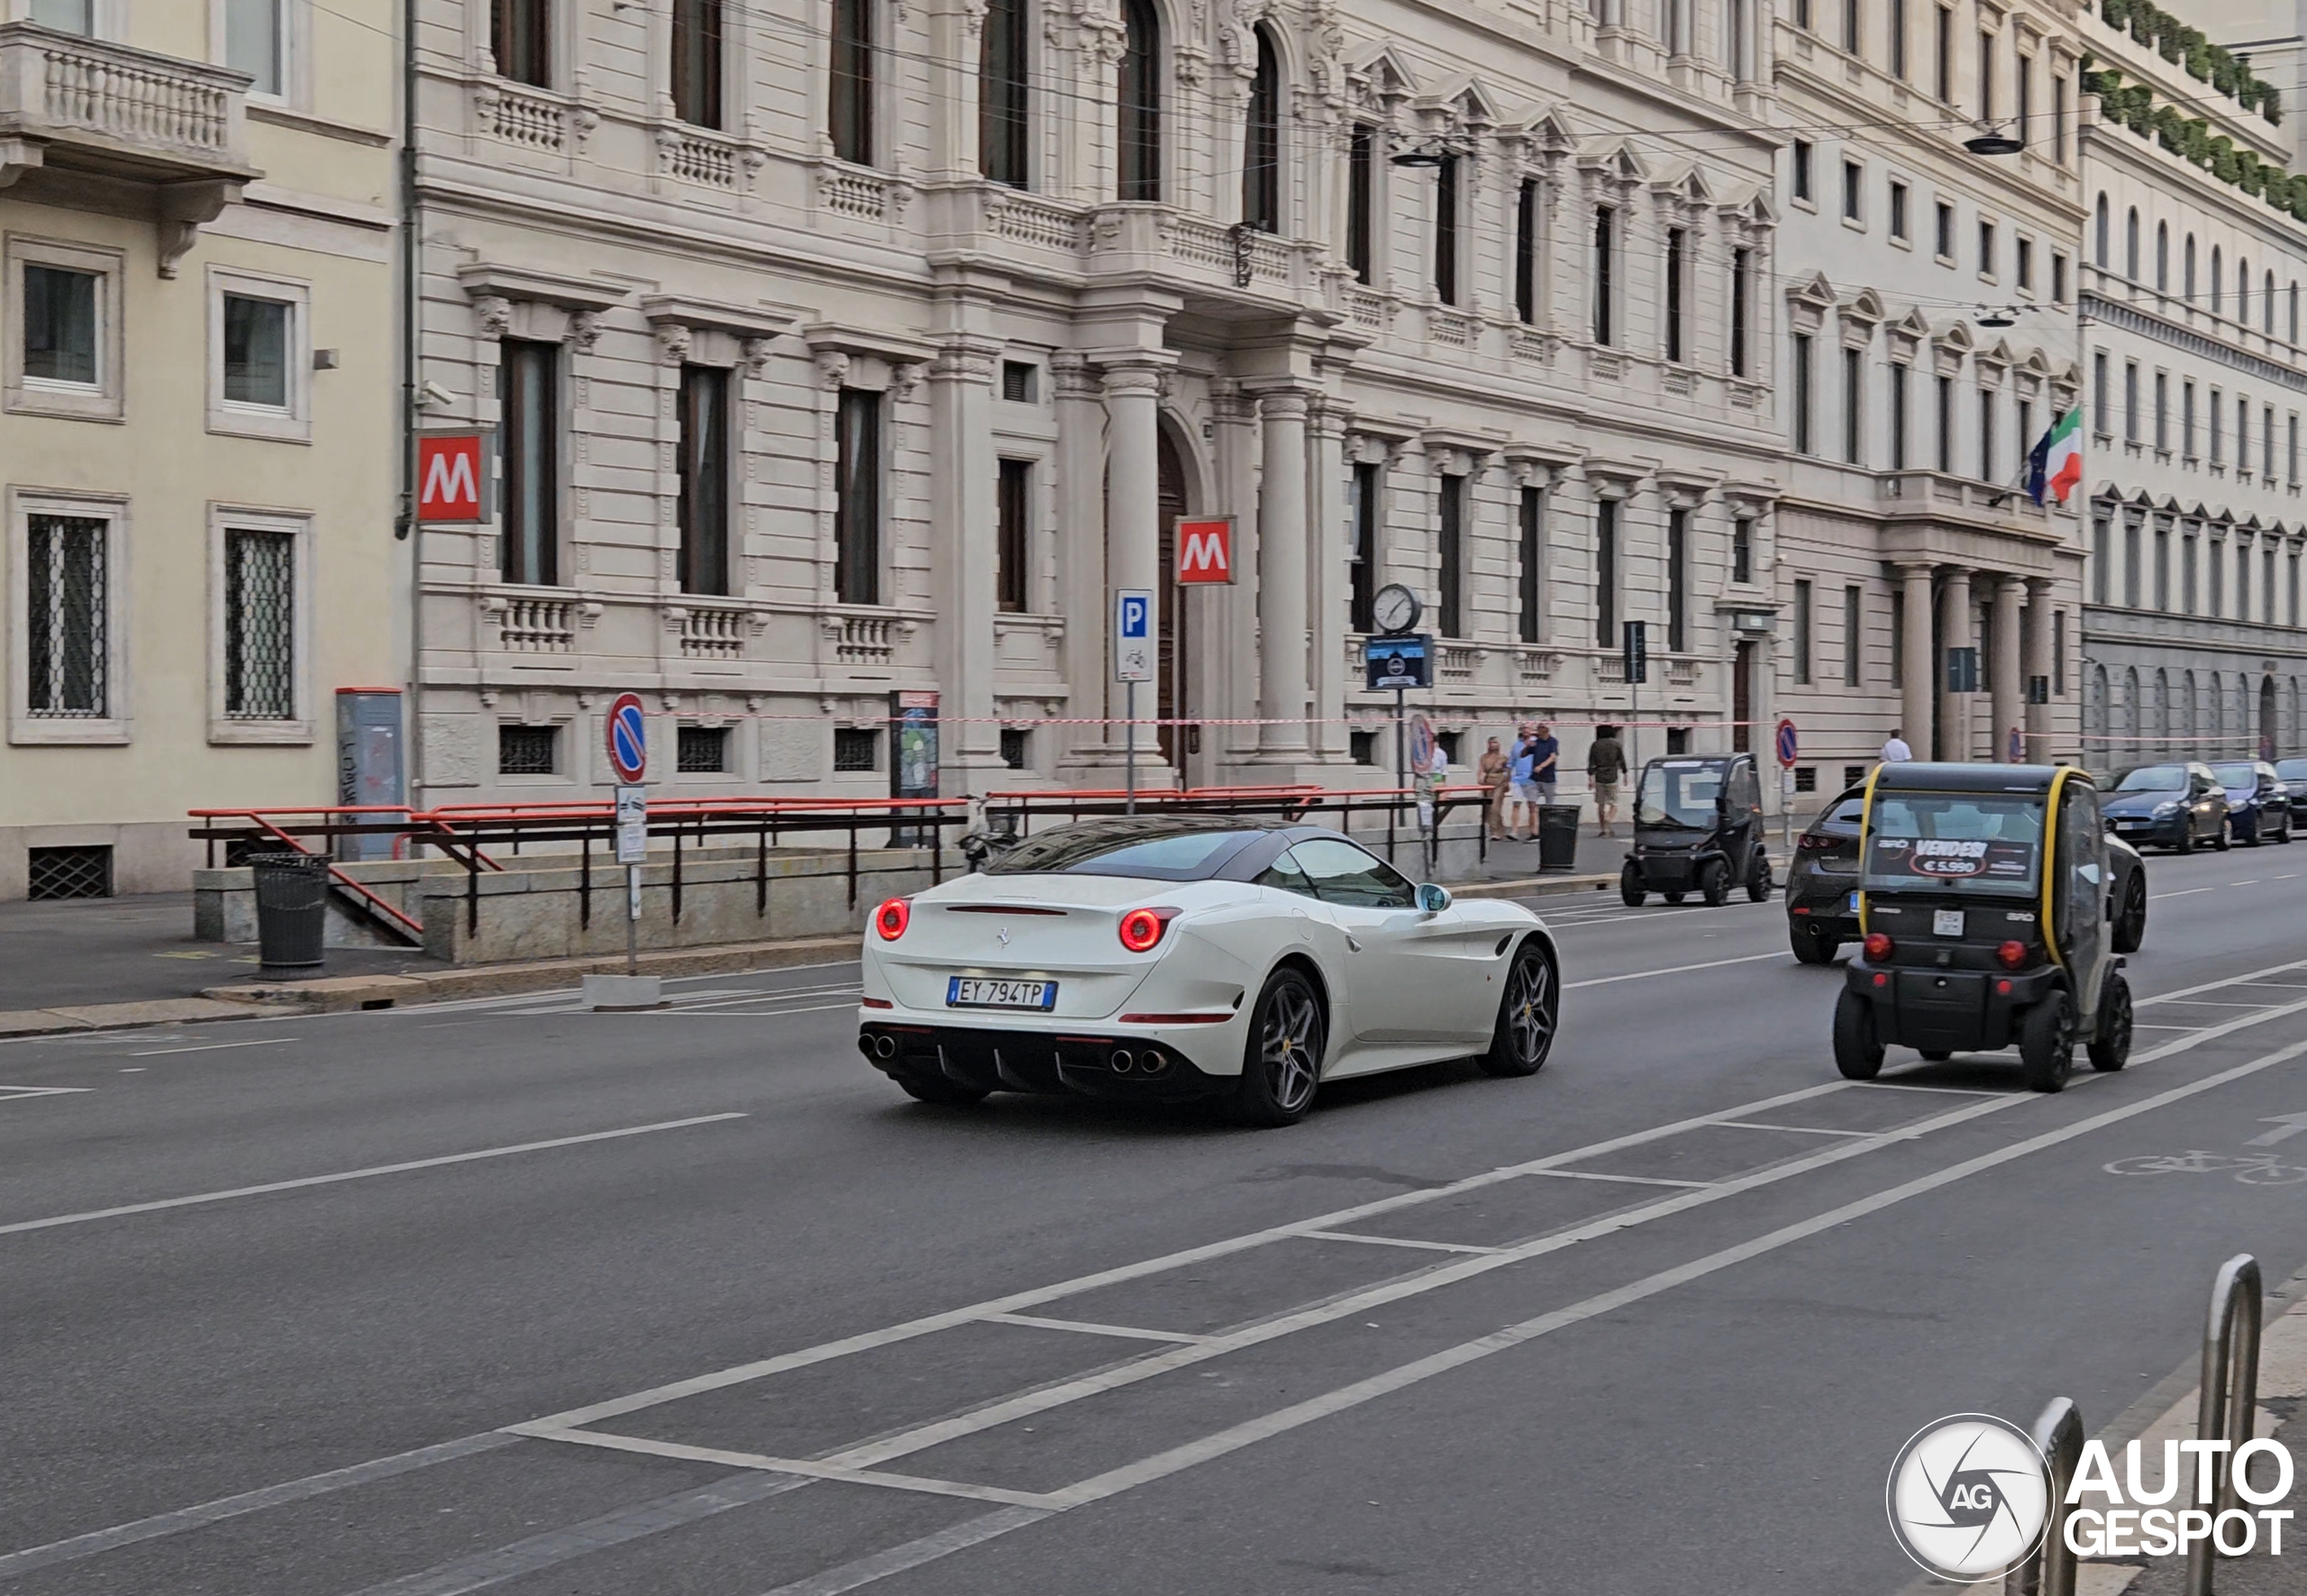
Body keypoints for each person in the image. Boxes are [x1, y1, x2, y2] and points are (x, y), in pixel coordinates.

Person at [1588, 724, 1628, 837]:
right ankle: (1608, 820)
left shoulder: (1595, 745)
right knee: (1614, 803)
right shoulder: (1616, 744)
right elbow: (1621, 760)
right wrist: (1625, 773)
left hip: (1599, 776)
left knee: (1600, 804)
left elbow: (1591, 762)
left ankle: (1604, 828)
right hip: (1612, 776)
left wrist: (1590, 777)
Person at [1507, 725, 1538, 840]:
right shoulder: (1516, 744)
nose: (1526, 730)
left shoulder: (1537, 743)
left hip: (1532, 777)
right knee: (1516, 804)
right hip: (1517, 778)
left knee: (1532, 806)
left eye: (1528, 728)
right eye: (1524, 728)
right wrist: (1508, 778)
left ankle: (1534, 831)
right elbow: (1511, 762)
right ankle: (1514, 831)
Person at [1478, 736, 1510, 840]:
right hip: (1487, 782)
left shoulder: (1503, 758)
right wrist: (1479, 778)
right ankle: (1495, 829)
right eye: (1491, 743)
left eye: (1495, 743)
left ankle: (1495, 831)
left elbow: (1508, 771)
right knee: (1487, 807)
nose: (1493, 745)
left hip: (1499, 782)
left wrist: (1507, 782)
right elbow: (1481, 769)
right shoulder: (1484, 757)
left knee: (1495, 807)